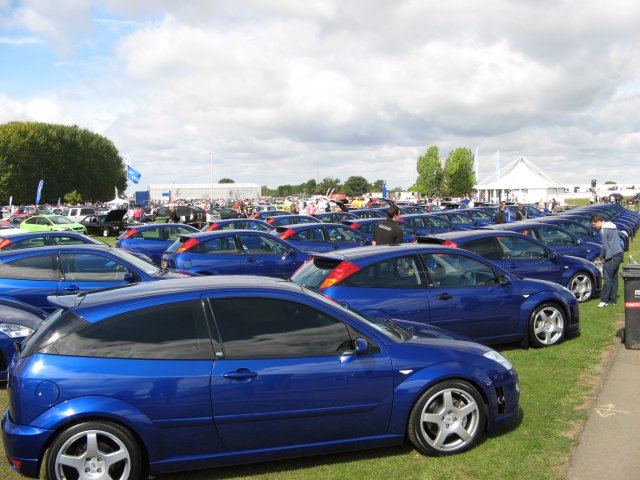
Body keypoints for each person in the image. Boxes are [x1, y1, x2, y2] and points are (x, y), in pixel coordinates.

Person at [590, 213, 624, 308]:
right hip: (619, 253)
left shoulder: (603, 230)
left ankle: (604, 300)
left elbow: (604, 246)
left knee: (607, 278)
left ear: (598, 221)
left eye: (594, 224)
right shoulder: (612, 226)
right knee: (614, 277)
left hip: (612, 255)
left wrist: (601, 257)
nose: (594, 226)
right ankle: (613, 300)